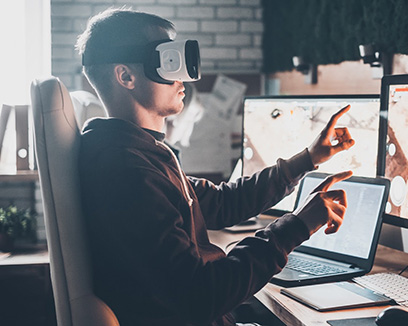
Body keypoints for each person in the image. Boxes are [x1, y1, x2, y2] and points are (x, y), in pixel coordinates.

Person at [76, 8, 355, 326]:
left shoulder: (141, 153)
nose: (183, 76)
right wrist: (299, 224)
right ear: (126, 76)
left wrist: (309, 158)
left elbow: (222, 203)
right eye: (168, 61)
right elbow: (202, 294)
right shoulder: (128, 172)